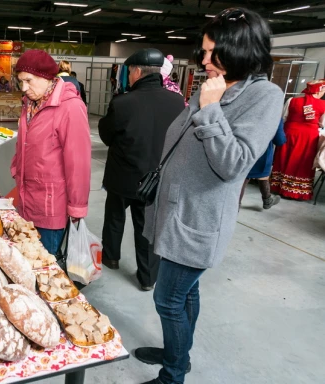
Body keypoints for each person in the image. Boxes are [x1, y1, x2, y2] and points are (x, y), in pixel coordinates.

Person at [135, 8, 284, 384]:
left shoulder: (264, 95)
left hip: (197, 220)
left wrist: (212, 108)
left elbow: (233, 164)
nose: (202, 61)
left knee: (167, 299)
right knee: (185, 293)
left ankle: (173, 374)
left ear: (239, 49)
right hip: (175, 210)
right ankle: (177, 355)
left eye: (209, 52)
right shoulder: (217, 85)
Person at [98, 48, 185, 291]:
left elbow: (106, 135)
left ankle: (111, 257)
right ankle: (147, 278)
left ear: (136, 71)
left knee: (115, 217)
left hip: (122, 177)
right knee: (147, 228)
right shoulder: (177, 101)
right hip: (156, 179)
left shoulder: (123, 102)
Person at [10, 49, 91, 255]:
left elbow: (78, 163)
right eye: (21, 81)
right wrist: (17, 168)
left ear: (46, 77)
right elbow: (24, 142)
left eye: (28, 80)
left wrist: (77, 207)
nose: (23, 87)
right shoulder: (29, 104)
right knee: (27, 258)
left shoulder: (70, 107)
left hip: (51, 204)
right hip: (26, 197)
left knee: (45, 263)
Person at [270, 79, 325, 200]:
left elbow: (283, 117)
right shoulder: (323, 105)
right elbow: (322, 123)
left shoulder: (292, 101)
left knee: (284, 157)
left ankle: (279, 187)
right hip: (309, 137)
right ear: (319, 90)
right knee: (302, 161)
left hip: (290, 132)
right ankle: (297, 191)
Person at [239, 119, 286, 209]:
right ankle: (267, 200)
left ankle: (267, 199)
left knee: (243, 177)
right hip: (262, 152)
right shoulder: (274, 112)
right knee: (261, 175)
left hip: (241, 147)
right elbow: (280, 140)